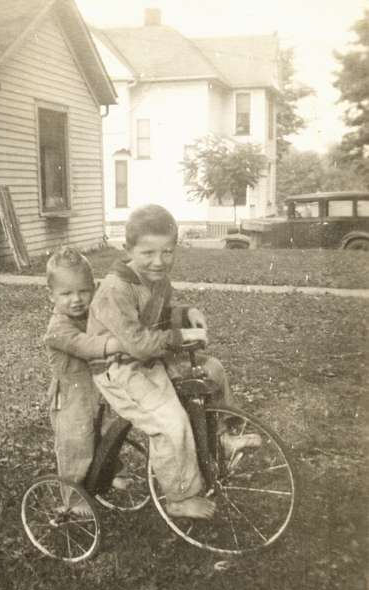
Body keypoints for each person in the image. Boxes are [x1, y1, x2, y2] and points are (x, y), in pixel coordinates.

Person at [87, 204, 260, 520]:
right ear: (128, 249)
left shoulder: (157, 279)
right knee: (171, 422)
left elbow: (162, 311)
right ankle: (178, 497)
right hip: (120, 369)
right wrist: (177, 338)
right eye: (148, 253)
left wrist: (184, 312)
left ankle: (224, 438)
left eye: (167, 252)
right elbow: (137, 343)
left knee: (213, 371)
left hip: (151, 358)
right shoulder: (115, 288)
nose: (159, 261)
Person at [44, 246, 126, 513]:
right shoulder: (58, 329)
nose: (76, 299)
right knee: (76, 444)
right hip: (72, 396)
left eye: (83, 291)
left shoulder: (93, 314)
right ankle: (74, 499)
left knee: (106, 435)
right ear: (52, 296)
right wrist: (119, 343)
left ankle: (105, 475)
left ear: (95, 288)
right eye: (66, 294)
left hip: (98, 388)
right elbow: (86, 345)